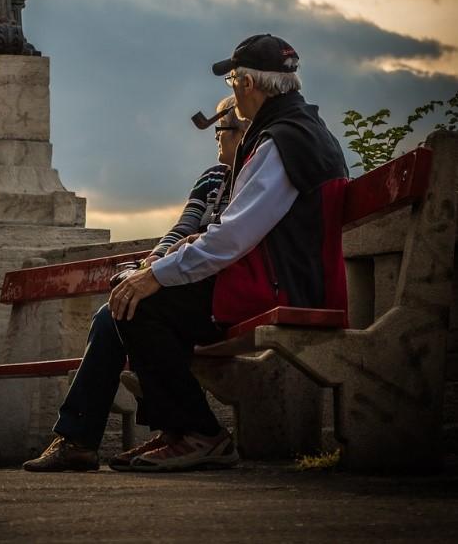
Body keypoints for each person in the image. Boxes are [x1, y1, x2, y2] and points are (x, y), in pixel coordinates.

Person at [25, 33, 349, 473]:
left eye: (234, 79)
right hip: (283, 277)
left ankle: (200, 433)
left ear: (248, 84)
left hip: (278, 287)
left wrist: (155, 275)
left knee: (136, 304)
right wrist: (173, 259)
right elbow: (240, 230)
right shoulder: (297, 130)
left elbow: (232, 237)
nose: (232, 91)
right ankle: (170, 433)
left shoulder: (279, 140)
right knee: (126, 302)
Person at [22, 96, 246, 472]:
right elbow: (183, 226)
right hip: (182, 282)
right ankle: (78, 439)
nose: (216, 139)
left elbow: (226, 238)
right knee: (113, 311)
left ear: (242, 132)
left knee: (132, 308)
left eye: (221, 130)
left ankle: (186, 431)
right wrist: (154, 260)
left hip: (213, 293)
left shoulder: (254, 178)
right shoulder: (212, 178)